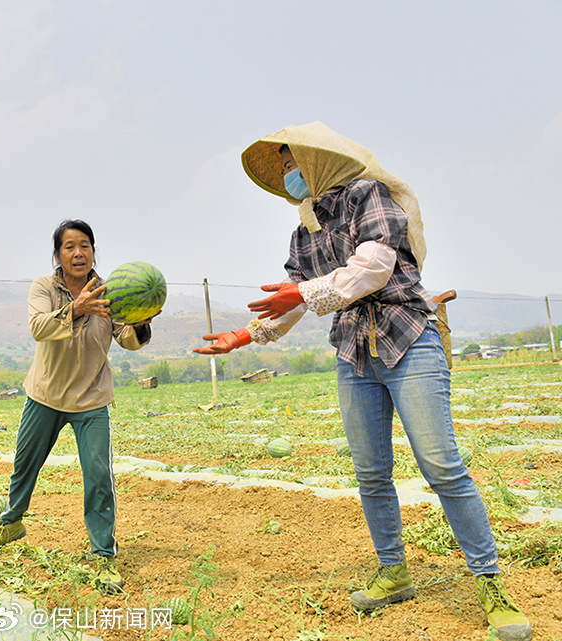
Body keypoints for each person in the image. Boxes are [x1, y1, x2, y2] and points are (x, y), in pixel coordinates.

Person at [195, 122, 531, 641]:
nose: (288, 174)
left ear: (318, 161)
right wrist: (244, 336)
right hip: (354, 352)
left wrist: (302, 295)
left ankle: (489, 582)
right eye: (282, 167)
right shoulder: (304, 229)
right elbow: (291, 298)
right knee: (371, 473)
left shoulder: (366, 195)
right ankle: (394, 571)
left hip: (406, 338)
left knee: (441, 466)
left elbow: (372, 268)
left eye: (292, 163)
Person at [0, 220, 153, 595]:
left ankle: (104, 554)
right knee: (24, 467)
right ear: (57, 254)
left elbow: (127, 339)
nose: (78, 253)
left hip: (90, 399)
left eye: (85, 245)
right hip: (45, 394)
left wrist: (140, 323)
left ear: (94, 252)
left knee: (98, 475)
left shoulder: (113, 293)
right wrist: (76, 308)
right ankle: (12, 522)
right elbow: (39, 327)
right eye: (70, 246)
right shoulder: (43, 287)